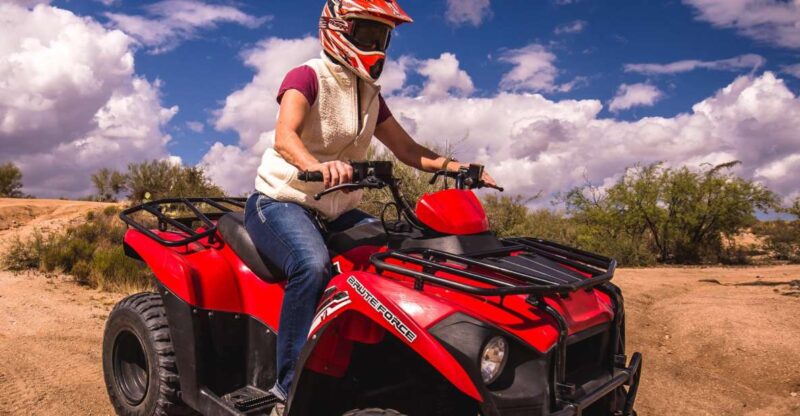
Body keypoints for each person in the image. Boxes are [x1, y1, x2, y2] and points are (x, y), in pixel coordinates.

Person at [244, 0, 496, 412]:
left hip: (336, 211)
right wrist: (316, 167)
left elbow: (408, 150)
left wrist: (459, 167)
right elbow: (284, 136)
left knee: (403, 254)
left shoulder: (371, 96)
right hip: (282, 201)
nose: (376, 45)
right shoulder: (307, 76)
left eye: (382, 37)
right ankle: (285, 391)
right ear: (339, 30)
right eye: (367, 34)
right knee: (311, 266)